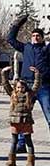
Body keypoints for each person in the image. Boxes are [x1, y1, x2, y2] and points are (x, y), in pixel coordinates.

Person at [7, 15, 50, 153]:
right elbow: (11, 39)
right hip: (26, 86)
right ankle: (20, 144)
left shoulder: (46, 49)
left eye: (38, 35)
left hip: (43, 86)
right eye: (34, 35)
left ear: (42, 38)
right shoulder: (26, 47)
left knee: (49, 114)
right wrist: (18, 23)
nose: (36, 37)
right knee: (21, 114)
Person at [1, 65, 41, 166]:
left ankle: (30, 161)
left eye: (22, 87)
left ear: (25, 87)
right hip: (15, 121)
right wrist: (4, 73)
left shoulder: (29, 94)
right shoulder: (13, 94)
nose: (20, 89)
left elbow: (36, 85)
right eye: (18, 87)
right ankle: (11, 160)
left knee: (28, 141)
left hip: (26, 121)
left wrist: (36, 74)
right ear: (15, 87)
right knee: (14, 141)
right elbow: (5, 84)